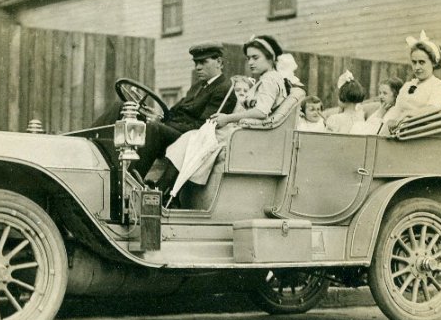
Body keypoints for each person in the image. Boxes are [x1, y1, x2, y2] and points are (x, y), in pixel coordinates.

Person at [156, 35, 293, 201]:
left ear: (270, 58)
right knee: (191, 139)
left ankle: (163, 190)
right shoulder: (265, 80)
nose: (250, 63)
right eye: (249, 58)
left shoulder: (270, 80)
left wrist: (228, 118)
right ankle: (166, 190)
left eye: (256, 58)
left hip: (251, 137)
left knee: (193, 139)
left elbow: (261, 112)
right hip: (248, 134)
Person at [93, 42, 237, 177]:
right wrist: (156, 116)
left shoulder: (224, 89)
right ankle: (87, 148)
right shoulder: (198, 86)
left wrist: (162, 124)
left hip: (190, 139)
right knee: (122, 107)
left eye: (203, 62)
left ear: (219, 62)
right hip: (174, 131)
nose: (197, 67)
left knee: (154, 129)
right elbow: (174, 112)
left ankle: (129, 178)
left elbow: (202, 126)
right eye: (196, 62)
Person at [383, 30, 441, 132]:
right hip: (397, 129)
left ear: (433, 63)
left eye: (422, 62)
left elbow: (432, 110)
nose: (417, 67)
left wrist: (408, 114)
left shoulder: (437, 86)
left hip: (414, 132)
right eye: (414, 62)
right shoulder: (408, 85)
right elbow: (397, 109)